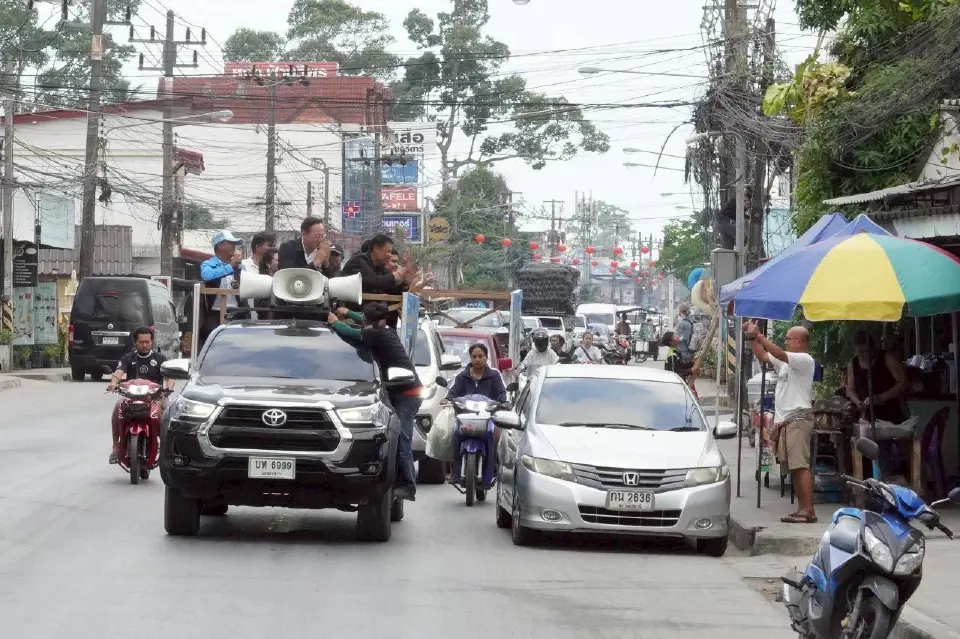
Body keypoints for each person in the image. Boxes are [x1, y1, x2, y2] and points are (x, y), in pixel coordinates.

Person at [328, 302, 422, 501]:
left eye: (368, 321)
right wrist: (348, 312)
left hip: (407, 392)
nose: (366, 323)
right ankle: (394, 479)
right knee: (389, 438)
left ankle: (408, 486)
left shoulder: (377, 334)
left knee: (403, 439)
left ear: (377, 322)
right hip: (392, 389)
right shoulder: (383, 330)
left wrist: (335, 322)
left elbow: (350, 332)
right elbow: (362, 322)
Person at [744, 319, 817, 524]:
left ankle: (808, 510)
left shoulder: (804, 359)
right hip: (787, 421)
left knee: (800, 465)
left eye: (788, 339)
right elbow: (764, 356)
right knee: (793, 466)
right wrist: (752, 338)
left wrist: (759, 336)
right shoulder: (786, 363)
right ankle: (802, 508)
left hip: (798, 419)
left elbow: (777, 353)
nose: (785, 342)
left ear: (801, 341)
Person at [106, 326, 174, 464]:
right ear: (135, 343)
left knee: (169, 414)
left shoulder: (160, 358)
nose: (144, 345)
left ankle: (169, 450)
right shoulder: (128, 358)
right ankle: (115, 447)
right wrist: (114, 383)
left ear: (152, 342)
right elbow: (119, 372)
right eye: (141, 342)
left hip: (155, 397)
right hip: (132, 397)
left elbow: (170, 377)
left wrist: (168, 387)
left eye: (147, 342)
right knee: (117, 408)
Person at [340, 234, 418, 327]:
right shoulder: (359, 261)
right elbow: (376, 282)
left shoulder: (380, 267)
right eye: (388, 252)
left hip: (370, 320)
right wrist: (402, 271)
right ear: (376, 248)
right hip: (349, 318)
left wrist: (408, 280)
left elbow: (392, 287)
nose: (389, 255)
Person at [199, 230, 244, 345]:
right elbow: (206, 275)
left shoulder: (239, 265)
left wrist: (238, 271)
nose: (234, 246)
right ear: (220, 245)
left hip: (237, 313)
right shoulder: (208, 264)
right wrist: (230, 267)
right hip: (215, 313)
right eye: (231, 243)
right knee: (213, 343)